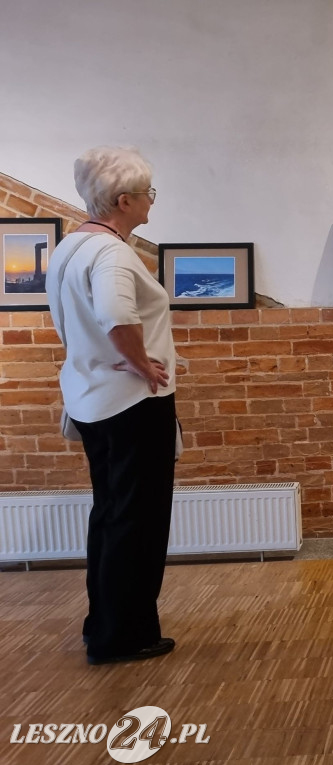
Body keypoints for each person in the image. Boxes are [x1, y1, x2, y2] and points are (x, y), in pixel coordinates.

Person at [45, 146, 179, 665]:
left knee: (111, 515)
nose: (151, 203)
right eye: (148, 195)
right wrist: (143, 364)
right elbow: (117, 313)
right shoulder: (113, 253)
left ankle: (103, 623)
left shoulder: (69, 247)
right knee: (137, 522)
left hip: (89, 398)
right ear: (123, 200)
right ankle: (125, 635)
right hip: (130, 405)